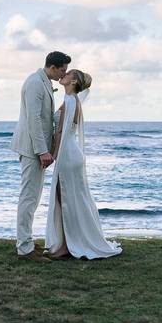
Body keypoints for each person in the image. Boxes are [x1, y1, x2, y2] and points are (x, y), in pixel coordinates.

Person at [45, 69, 122, 260]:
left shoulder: (71, 101)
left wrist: (51, 155)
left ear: (73, 81)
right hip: (71, 154)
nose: (64, 74)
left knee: (66, 200)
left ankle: (66, 245)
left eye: (68, 73)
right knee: (69, 199)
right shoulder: (73, 101)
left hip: (68, 155)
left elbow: (60, 133)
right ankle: (67, 241)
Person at [10, 51, 70, 262]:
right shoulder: (35, 83)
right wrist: (42, 151)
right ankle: (24, 249)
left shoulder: (43, 81)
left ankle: (25, 242)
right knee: (28, 197)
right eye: (62, 69)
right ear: (52, 67)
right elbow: (34, 119)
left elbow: (43, 117)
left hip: (35, 148)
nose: (64, 73)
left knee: (33, 198)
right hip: (32, 149)